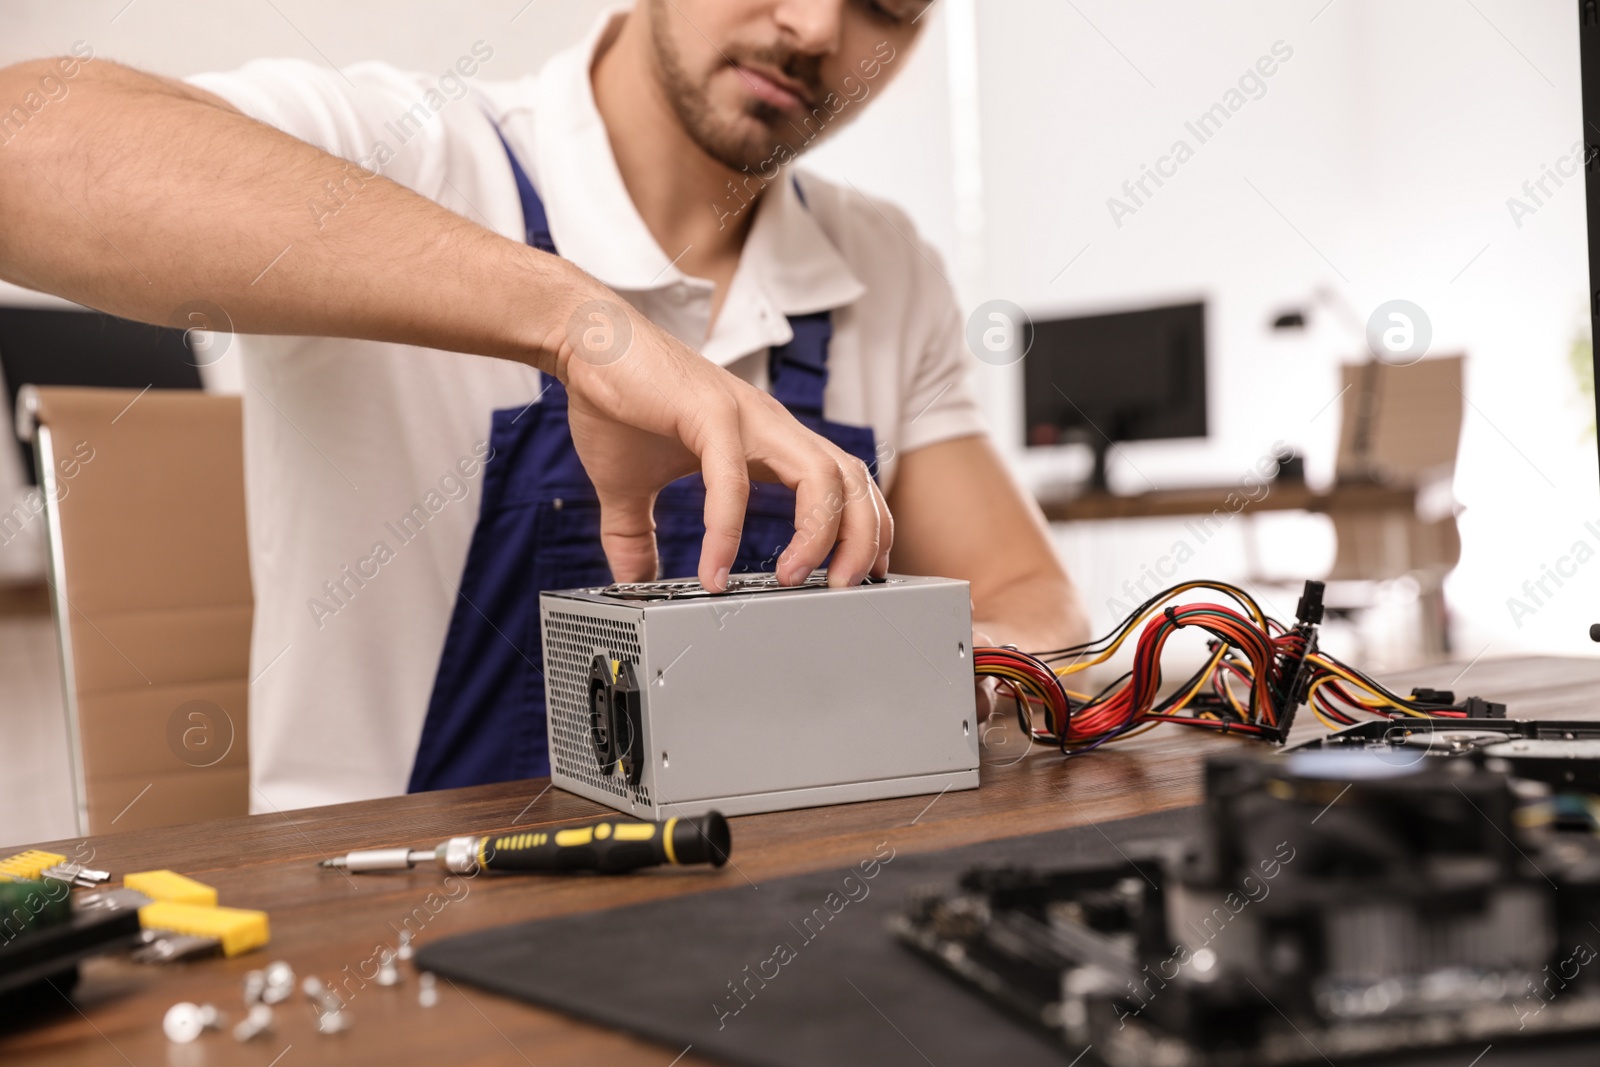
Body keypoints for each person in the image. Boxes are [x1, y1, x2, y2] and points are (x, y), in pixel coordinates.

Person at [0, 0, 1087, 811]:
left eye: (885, 3)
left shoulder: (885, 268)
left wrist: (962, 669)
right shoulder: (407, 149)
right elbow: (24, 142)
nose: (810, 24)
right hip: (397, 922)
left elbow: (1033, 601)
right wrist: (579, 322)